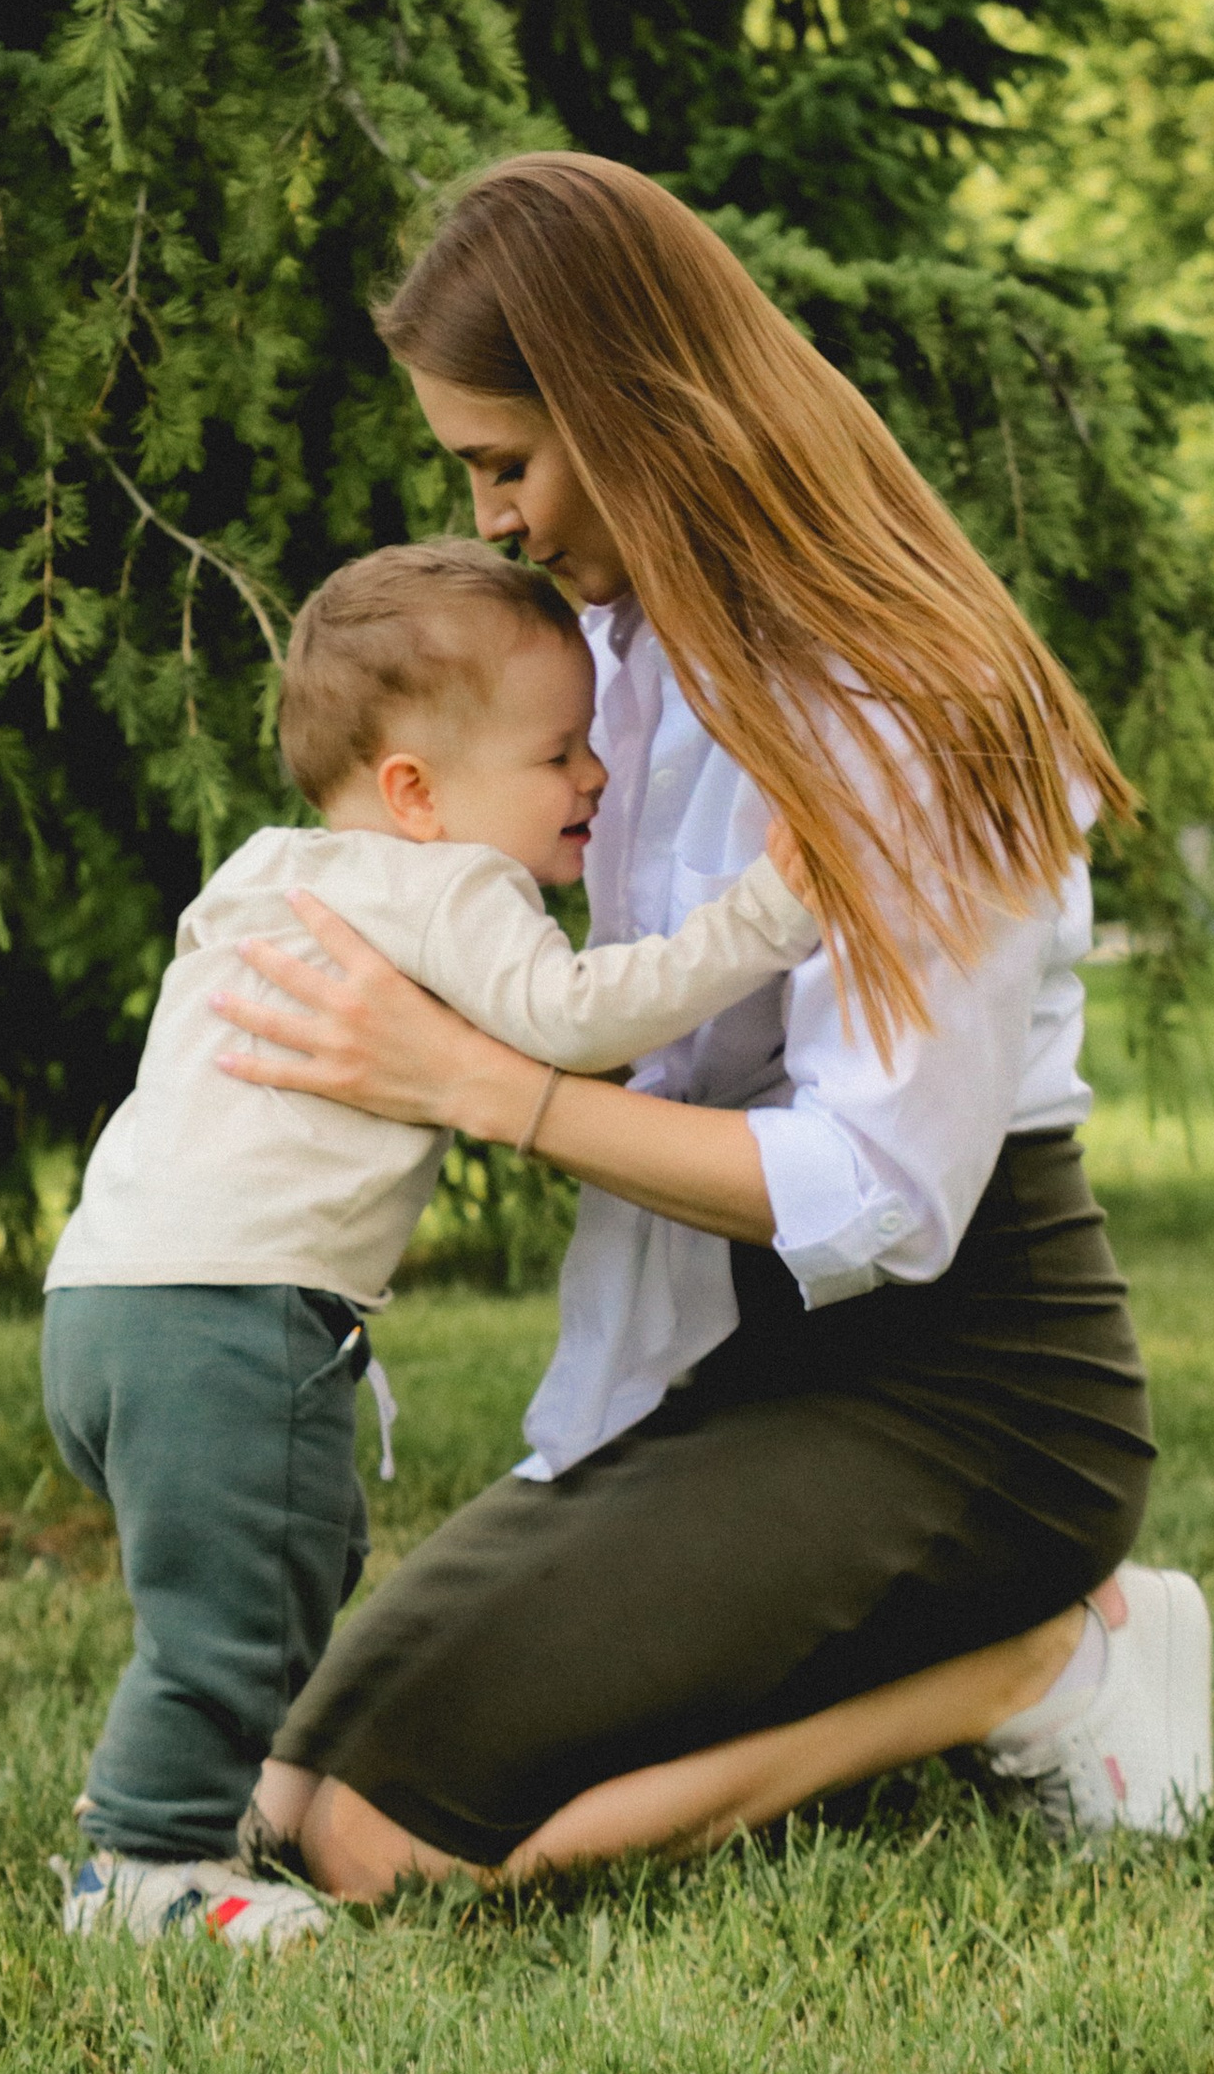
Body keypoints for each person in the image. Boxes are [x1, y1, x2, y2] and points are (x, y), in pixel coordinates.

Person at [216, 153, 1214, 1903]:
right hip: (736, 1363)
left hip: (975, 1397)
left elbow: (890, 1191)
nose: (498, 518)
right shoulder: (623, 665)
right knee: (287, 1791)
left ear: (629, 406)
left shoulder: (909, 703)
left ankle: (1040, 1662)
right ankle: (929, 1657)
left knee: (387, 1850)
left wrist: (485, 1087)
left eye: (505, 462)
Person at [44, 538, 821, 1948]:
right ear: (415, 792)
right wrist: (767, 916)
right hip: (229, 1314)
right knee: (230, 1621)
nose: (593, 778)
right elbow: (578, 1018)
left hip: (108, 1304)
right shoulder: (446, 885)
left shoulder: (267, 870)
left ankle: (195, 1813)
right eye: (557, 754)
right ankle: (140, 1876)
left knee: (299, 1557)